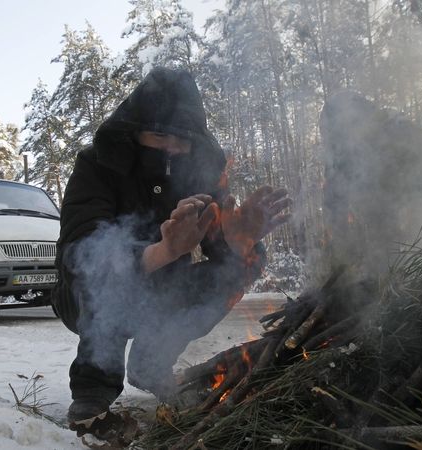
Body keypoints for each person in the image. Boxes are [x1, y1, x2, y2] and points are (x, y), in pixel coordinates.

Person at [52, 67, 290, 436]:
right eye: (159, 134)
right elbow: (78, 255)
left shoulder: (201, 176)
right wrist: (163, 251)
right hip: (85, 295)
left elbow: (220, 251)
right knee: (101, 268)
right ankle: (93, 385)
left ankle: (152, 361)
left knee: (242, 265)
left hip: (163, 291)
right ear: (133, 132)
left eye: (182, 140)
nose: (170, 149)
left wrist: (239, 241)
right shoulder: (97, 165)